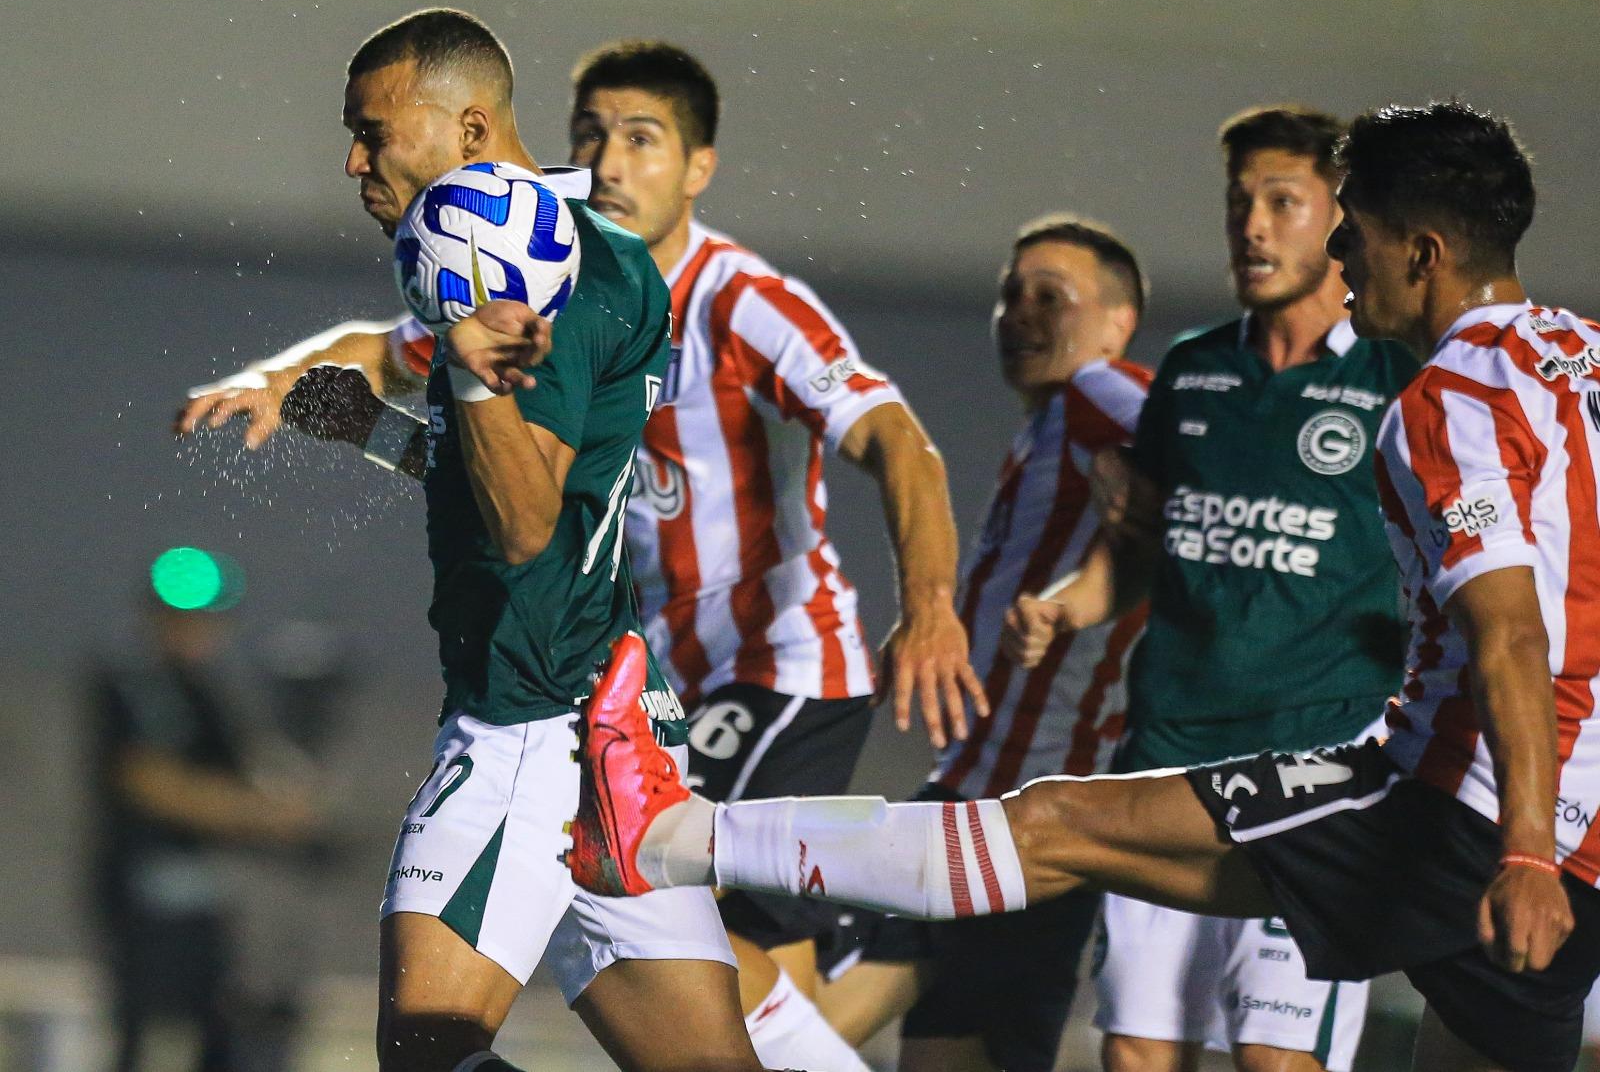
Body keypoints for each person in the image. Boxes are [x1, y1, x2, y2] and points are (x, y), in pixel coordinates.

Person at [569, 101, 1600, 1072]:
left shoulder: (1451, 395)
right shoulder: (1581, 359)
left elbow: (1509, 634)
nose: (1339, 254)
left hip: (1460, 805)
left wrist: (1521, 850)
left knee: (1057, 823)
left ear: (1420, 252)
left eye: (1354, 231)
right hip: (1571, 827)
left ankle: (664, 831)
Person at [180, 37, 981, 1071]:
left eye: (370, 132)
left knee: (427, 1055)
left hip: (551, 716)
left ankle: (936, 924)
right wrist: (343, 408)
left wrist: (929, 600)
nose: (353, 161)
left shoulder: (544, 275)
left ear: (466, 128)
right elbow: (479, 450)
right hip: (626, 715)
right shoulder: (567, 252)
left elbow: (522, 523)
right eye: (596, 132)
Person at [1004, 106, 1416, 1072]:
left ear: (1341, 218)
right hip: (1168, 761)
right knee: (1139, 1052)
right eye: (1240, 202)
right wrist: (1067, 602)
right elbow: (1142, 548)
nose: (1253, 226)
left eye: (1283, 201)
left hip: (1318, 775)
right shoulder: (1193, 370)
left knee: (1276, 1058)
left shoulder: (1403, 379)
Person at [814, 215, 1151, 1072]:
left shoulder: (1097, 396)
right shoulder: (1048, 429)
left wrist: (1152, 464)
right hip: (1005, 801)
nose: (1019, 312)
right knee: (945, 1052)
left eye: (1051, 296)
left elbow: (1176, 435)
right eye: (1011, 293)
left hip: (1011, 807)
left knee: (802, 1031)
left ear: (1118, 321)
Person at [87, 550, 320, 1072]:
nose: (197, 630)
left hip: (211, 912)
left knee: (219, 1042)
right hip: (146, 909)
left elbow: (268, 776)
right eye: (183, 616)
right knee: (152, 1045)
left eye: (208, 618)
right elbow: (149, 781)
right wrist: (259, 814)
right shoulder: (130, 683)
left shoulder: (214, 695)